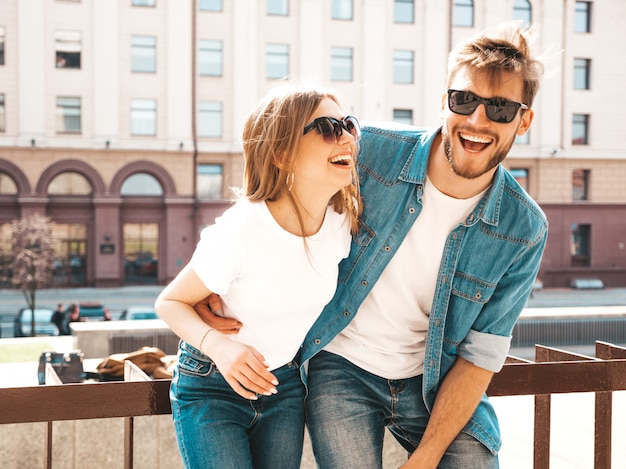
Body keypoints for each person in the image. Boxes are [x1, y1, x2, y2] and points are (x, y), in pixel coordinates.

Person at [197, 22, 548, 469]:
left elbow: (481, 356)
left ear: (524, 120)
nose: (478, 121)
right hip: (341, 364)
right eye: (464, 100)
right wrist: (221, 277)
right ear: (444, 102)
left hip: (433, 380)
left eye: (500, 108)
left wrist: (426, 458)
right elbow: (283, 183)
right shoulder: (369, 149)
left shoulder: (524, 228)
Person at [154, 83, 362, 469]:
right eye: (329, 128)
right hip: (212, 386)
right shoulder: (242, 230)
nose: (347, 137)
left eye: (349, 124)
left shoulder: (341, 225)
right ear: (282, 153)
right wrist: (220, 347)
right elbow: (169, 302)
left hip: (283, 387)